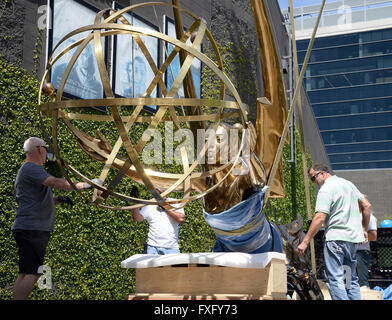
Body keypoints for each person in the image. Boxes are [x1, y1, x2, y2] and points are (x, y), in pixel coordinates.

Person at [11, 137, 97, 300]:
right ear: (39, 149)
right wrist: (84, 185)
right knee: (33, 272)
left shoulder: (28, 170)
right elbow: (55, 182)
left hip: (28, 227)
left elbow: (36, 202)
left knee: (25, 272)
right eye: (46, 150)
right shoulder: (31, 167)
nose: (47, 154)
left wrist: (59, 200)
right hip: (33, 229)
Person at [296, 163, 371, 300]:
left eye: (313, 178)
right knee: (350, 280)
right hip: (351, 241)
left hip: (335, 240)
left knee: (336, 279)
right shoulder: (348, 184)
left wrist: (305, 242)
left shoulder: (326, 189)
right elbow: (366, 205)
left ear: (322, 174)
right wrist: (364, 229)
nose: (314, 182)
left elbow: (319, 217)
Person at [131, 189, 185, 255]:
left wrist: (164, 205)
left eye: (164, 190)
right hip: (152, 248)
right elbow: (137, 218)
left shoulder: (175, 202)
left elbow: (181, 219)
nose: (162, 192)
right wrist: (134, 202)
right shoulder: (149, 204)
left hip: (172, 248)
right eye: (159, 190)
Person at [356, 212, 377, 289]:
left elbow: (373, 236)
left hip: (361, 251)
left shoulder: (369, 217)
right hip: (349, 250)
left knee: (362, 281)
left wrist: (358, 236)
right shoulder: (350, 214)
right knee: (348, 280)